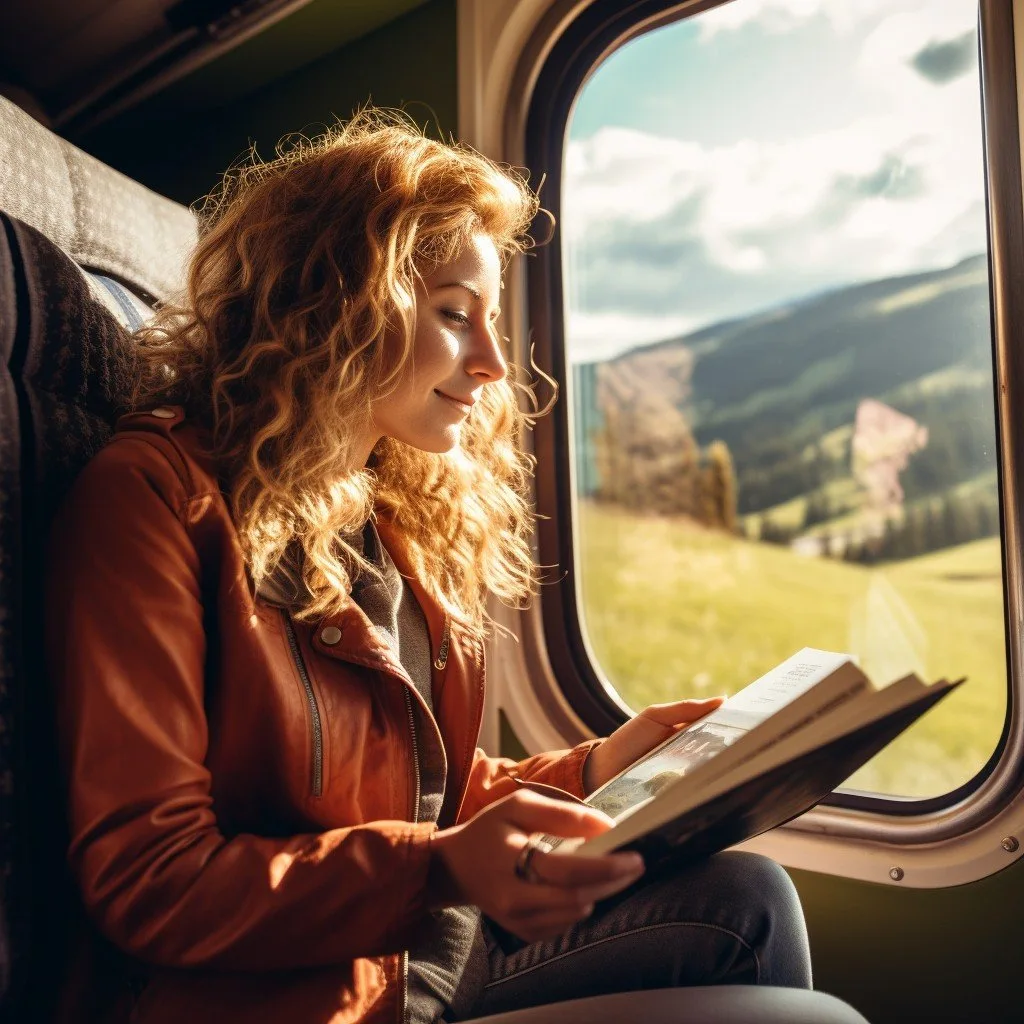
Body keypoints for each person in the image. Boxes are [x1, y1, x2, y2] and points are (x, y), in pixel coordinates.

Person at [46, 112, 812, 1024]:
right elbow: (152, 880)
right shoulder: (154, 501)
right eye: (455, 315)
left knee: (747, 899)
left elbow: (418, 793)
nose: (492, 363)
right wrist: (439, 869)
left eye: (491, 320)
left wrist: (597, 769)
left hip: (422, 952)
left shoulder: (386, 516)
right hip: (298, 996)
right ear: (335, 301)